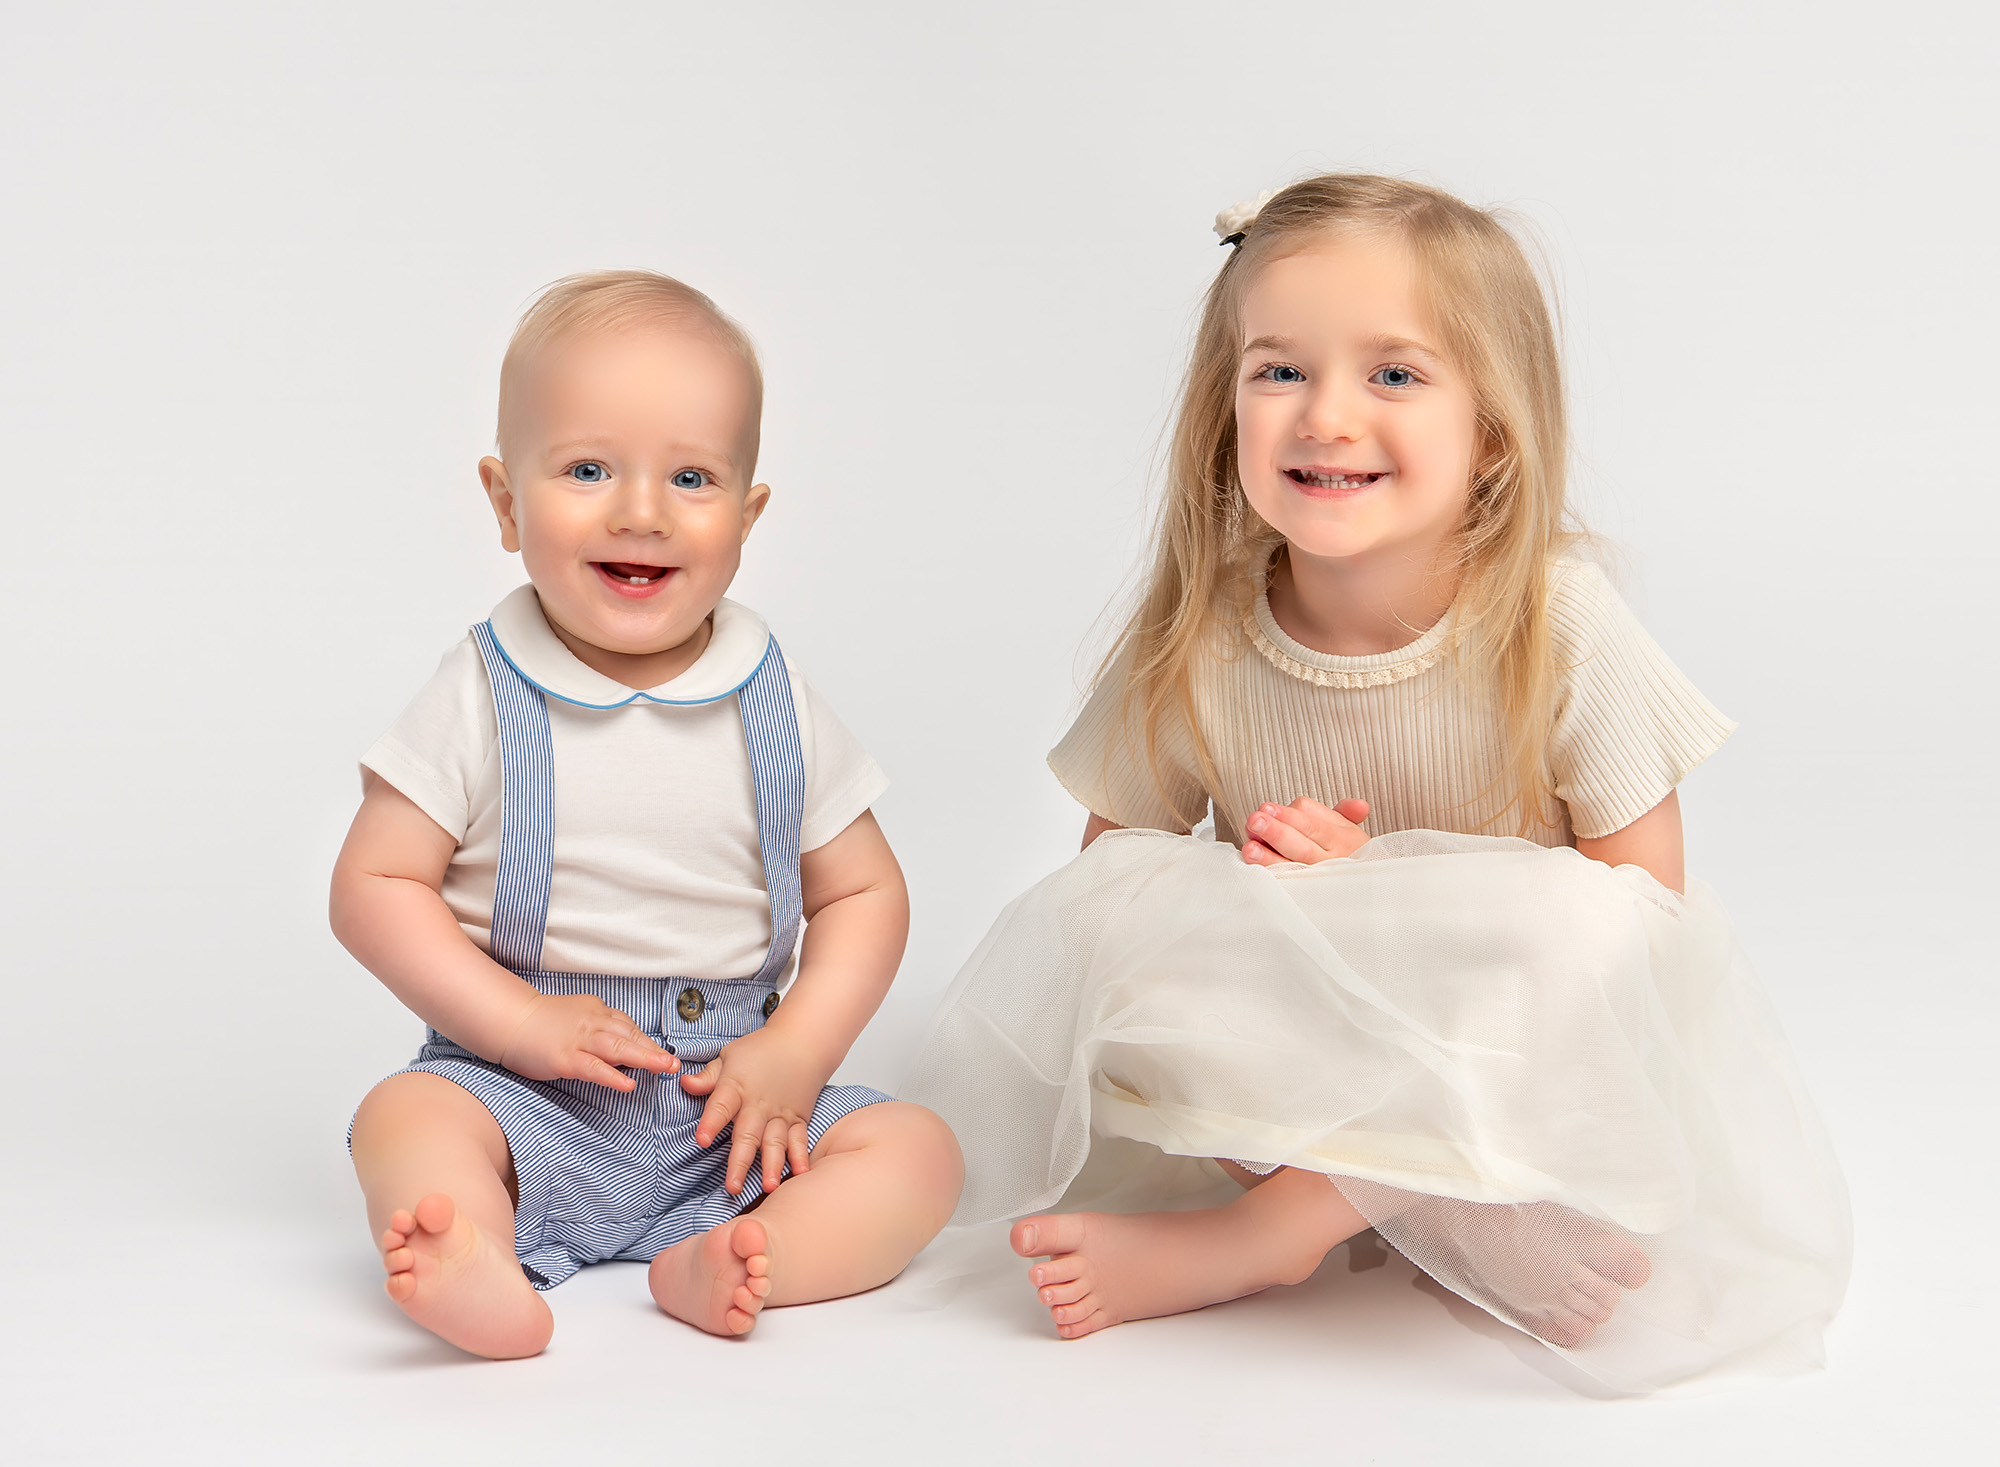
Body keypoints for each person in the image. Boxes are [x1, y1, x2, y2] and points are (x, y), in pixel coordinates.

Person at [902, 176, 1849, 1392]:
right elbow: (1110, 891)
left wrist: (1391, 892)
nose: (1325, 418)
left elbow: (1639, 916)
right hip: (1304, 1040)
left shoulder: (1555, 622)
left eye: (1393, 375)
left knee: (1572, 931)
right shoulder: (1198, 639)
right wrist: (1280, 891)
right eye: (1278, 372)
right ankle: (1427, 1211)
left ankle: (1271, 1235)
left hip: (1511, 1050)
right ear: (1222, 410)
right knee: (1129, 915)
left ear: (1490, 433)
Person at [333, 271, 962, 1359]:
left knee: (917, 1152)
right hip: (525, 1088)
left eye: (691, 476)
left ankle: (746, 1259)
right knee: (408, 1118)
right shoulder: (480, 692)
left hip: (734, 1100)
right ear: (504, 502)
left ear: (747, 514)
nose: (642, 510)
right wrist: (513, 1023)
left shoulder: (772, 692)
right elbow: (373, 886)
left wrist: (799, 1055)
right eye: (586, 469)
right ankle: (474, 1255)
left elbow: (863, 890)